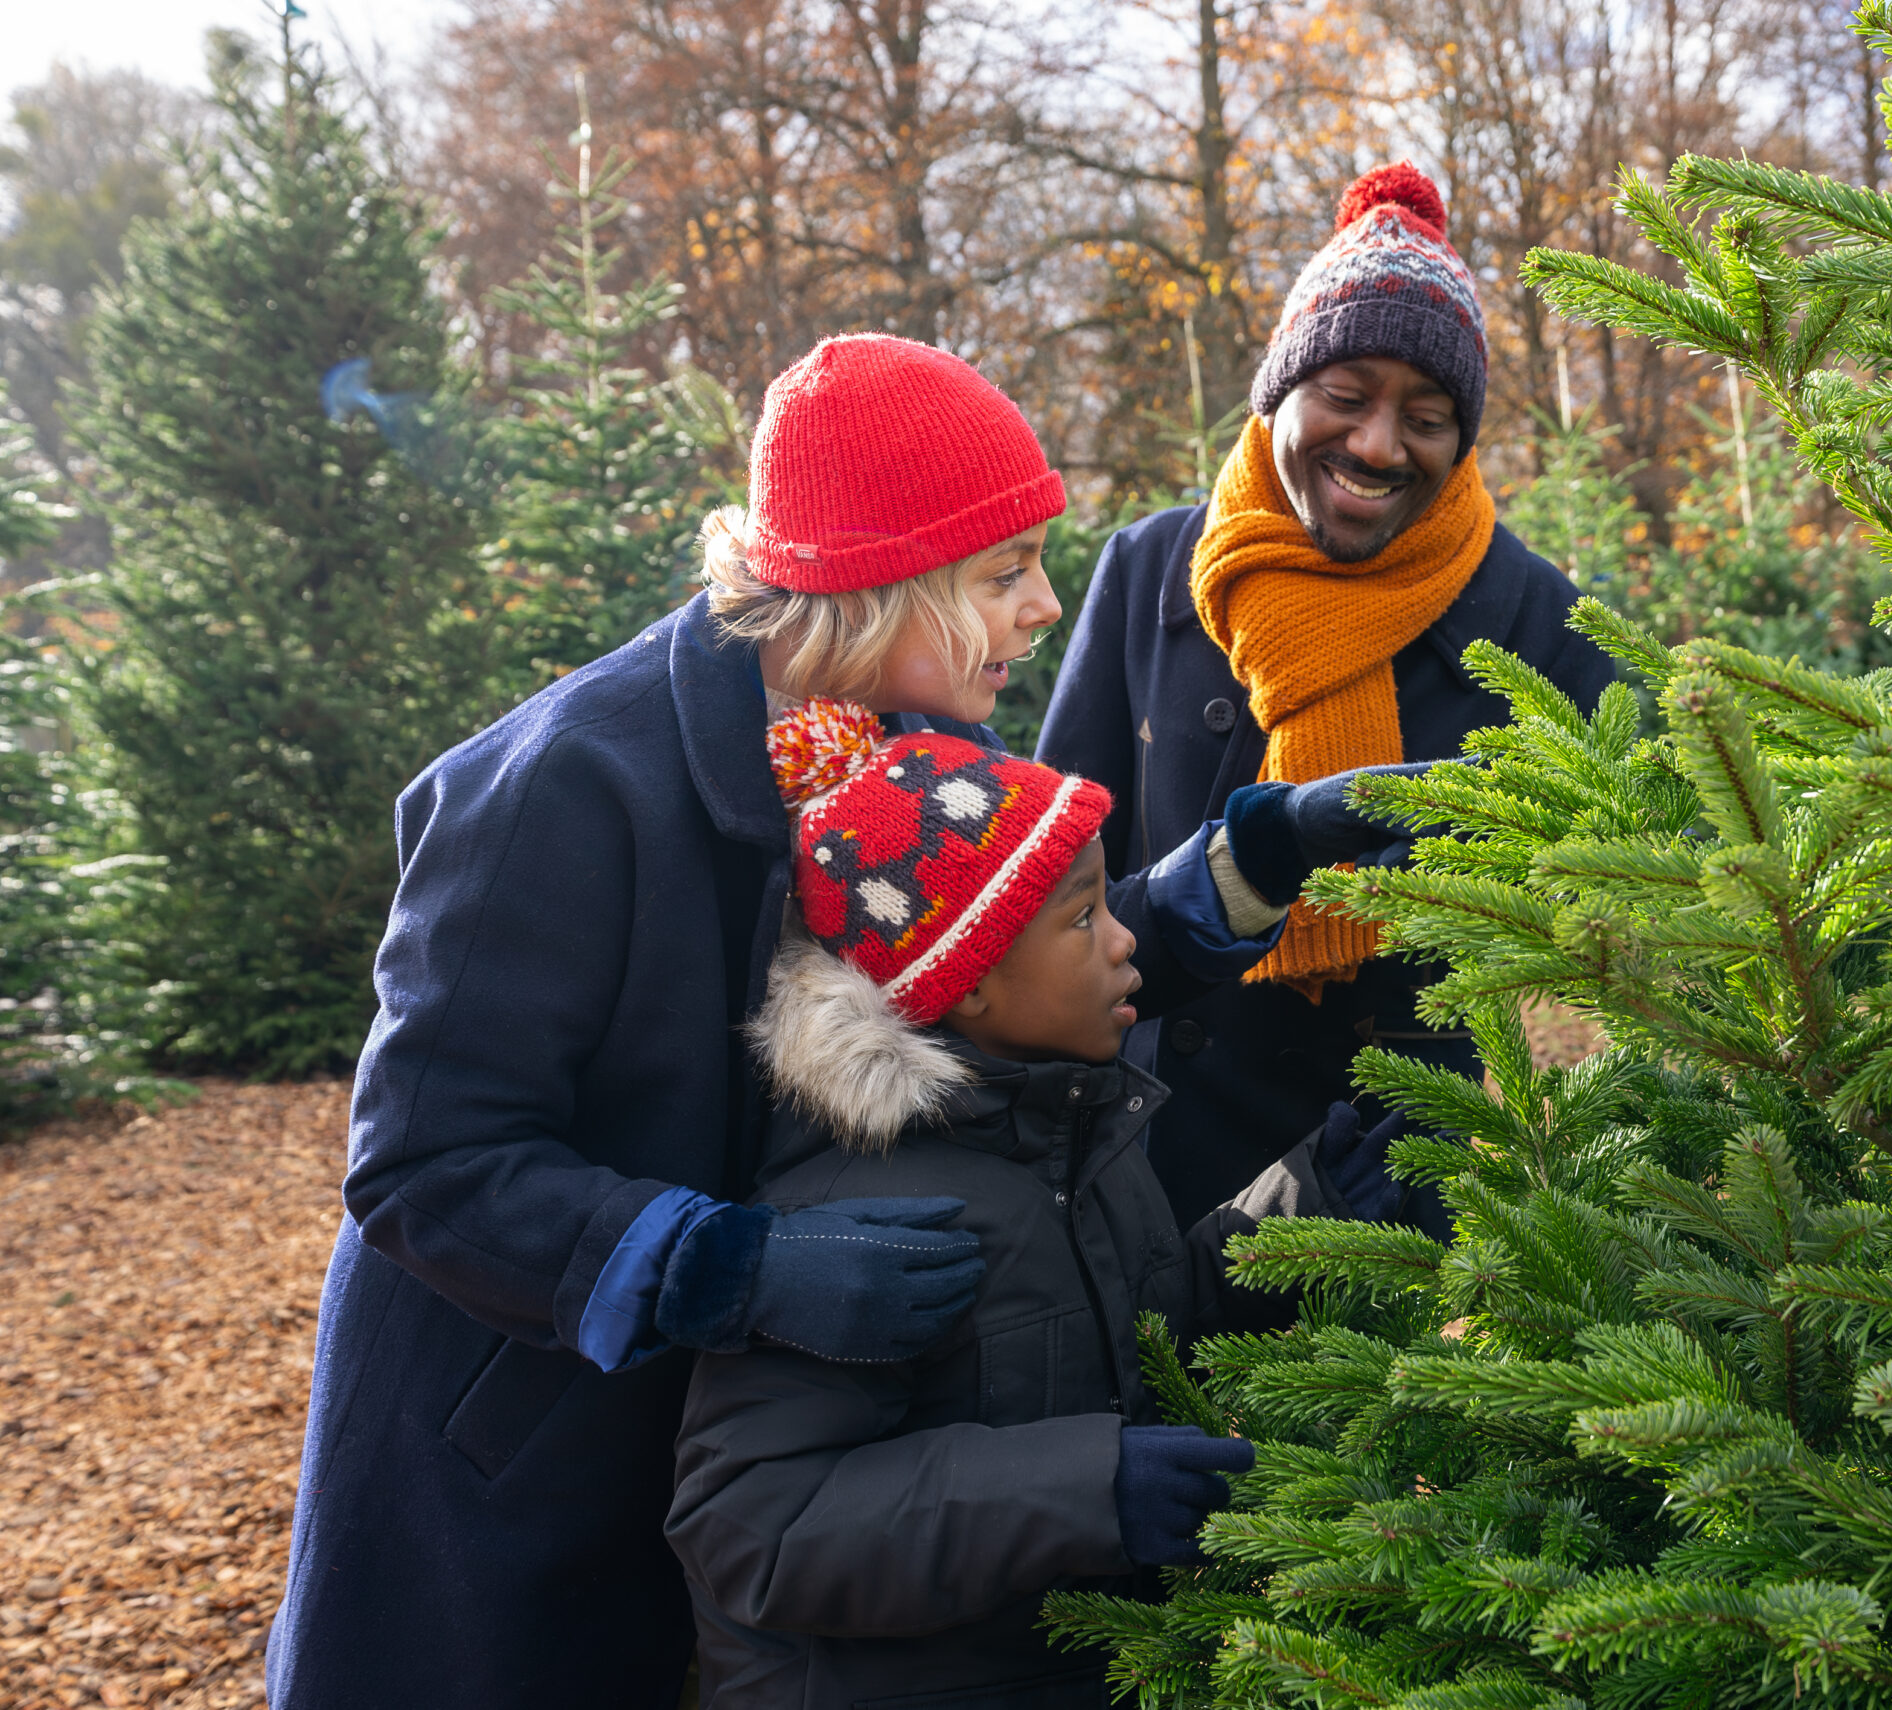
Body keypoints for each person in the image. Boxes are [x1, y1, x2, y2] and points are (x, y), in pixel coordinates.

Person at [271, 336, 1302, 1710]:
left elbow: (1012, 956)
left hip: (777, 1475)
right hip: (528, 1462)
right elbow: (424, 1163)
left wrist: (1246, 870)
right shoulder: (559, 792)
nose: (1047, 606)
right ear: (880, 586)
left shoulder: (919, 740)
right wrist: (730, 1268)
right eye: (1003, 574)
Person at [666, 711, 1403, 1707]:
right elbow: (752, 1526)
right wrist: (1086, 1489)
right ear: (967, 985)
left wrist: (1290, 1220)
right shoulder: (852, 1213)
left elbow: (1121, 1326)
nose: (1123, 939)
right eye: (1082, 917)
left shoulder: (1065, 1128)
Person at [1038, 161, 1616, 1227]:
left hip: (1377, 1173)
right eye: (1344, 399)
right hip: (1144, 1145)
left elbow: (1691, 816)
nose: (1379, 445)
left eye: (1428, 417)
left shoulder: (1530, 614)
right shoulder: (1153, 569)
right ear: (1280, 394)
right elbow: (1046, 892)